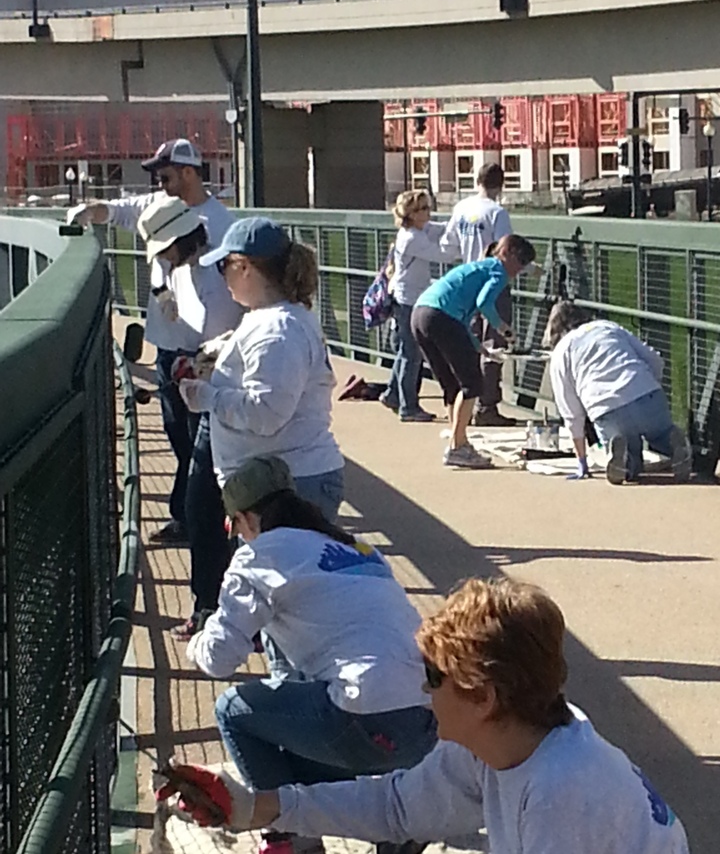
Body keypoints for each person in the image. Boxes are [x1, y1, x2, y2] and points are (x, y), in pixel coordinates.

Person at [161, 576, 689, 854]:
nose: (421, 688)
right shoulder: (509, 742)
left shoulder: (562, 794)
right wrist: (258, 806)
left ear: (483, 698)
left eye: (434, 678)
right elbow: (396, 806)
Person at [184, 455, 437, 854]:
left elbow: (219, 658)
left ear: (246, 518)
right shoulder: (358, 548)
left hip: (363, 714)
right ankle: (402, 828)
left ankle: (289, 841)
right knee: (307, 734)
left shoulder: (259, 555)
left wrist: (197, 640)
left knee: (233, 711)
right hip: (426, 723)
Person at [67, 138, 235, 544]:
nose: (160, 183)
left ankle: (201, 519)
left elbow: (230, 294)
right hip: (167, 345)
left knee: (202, 442)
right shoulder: (159, 206)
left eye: (166, 175)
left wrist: (216, 352)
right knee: (179, 436)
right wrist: (89, 210)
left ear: (189, 172)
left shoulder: (220, 223)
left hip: (203, 353)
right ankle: (192, 515)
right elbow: (122, 210)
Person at [178, 216, 345, 521]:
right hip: (276, 484)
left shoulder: (277, 330)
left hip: (289, 486)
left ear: (244, 267)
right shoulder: (273, 319)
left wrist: (208, 397)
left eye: (223, 266)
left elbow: (266, 414)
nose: (222, 276)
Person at [135, 197, 244, 638]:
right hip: (208, 392)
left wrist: (210, 355)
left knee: (210, 506)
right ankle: (212, 608)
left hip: (230, 400)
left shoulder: (217, 273)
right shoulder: (182, 272)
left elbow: (237, 327)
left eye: (164, 247)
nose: (162, 257)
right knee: (206, 507)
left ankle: (218, 611)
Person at [411, 234, 536, 468]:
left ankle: (459, 441)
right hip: (440, 317)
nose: (520, 269)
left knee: (452, 385)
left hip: (421, 314)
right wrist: (503, 328)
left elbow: (464, 317)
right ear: (505, 253)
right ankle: (457, 447)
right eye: (521, 260)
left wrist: (480, 348)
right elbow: (484, 303)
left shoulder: (477, 267)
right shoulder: (498, 271)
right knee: (473, 385)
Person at [544, 301, 692, 485]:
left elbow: (571, 411)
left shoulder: (561, 352)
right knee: (660, 432)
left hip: (606, 406)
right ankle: (673, 443)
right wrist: (651, 383)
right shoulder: (607, 327)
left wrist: (582, 461)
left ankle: (621, 459)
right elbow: (654, 359)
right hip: (646, 390)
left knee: (632, 463)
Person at [441, 163, 516, 428]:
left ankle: (468, 401)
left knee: (469, 342)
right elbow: (505, 251)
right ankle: (488, 405)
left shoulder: (462, 208)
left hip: (466, 282)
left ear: (477, 180)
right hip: (493, 282)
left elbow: (448, 246)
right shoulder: (497, 212)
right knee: (494, 342)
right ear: (500, 184)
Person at [380, 190, 449, 423]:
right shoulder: (412, 238)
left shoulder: (416, 230)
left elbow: (438, 228)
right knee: (412, 354)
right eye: (423, 209)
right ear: (412, 214)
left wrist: (458, 223)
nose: (429, 212)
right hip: (409, 300)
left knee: (405, 351)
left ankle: (392, 394)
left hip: (406, 297)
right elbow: (442, 255)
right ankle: (408, 407)